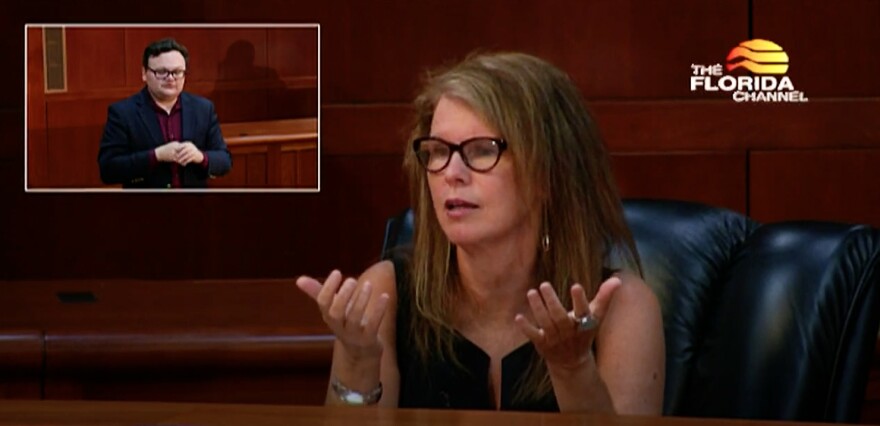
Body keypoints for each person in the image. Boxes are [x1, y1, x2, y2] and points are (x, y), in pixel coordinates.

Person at [297, 52, 665, 413]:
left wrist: (572, 369)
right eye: (439, 151)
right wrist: (358, 362)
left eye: (482, 150)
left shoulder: (622, 307)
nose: (451, 172)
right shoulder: (384, 295)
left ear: (548, 174)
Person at [97, 38, 232, 188]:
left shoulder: (203, 108)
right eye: (162, 72)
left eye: (177, 72)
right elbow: (108, 169)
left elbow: (225, 160)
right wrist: (156, 156)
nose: (170, 78)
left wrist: (200, 156)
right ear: (144, 73)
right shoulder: (123, 113)